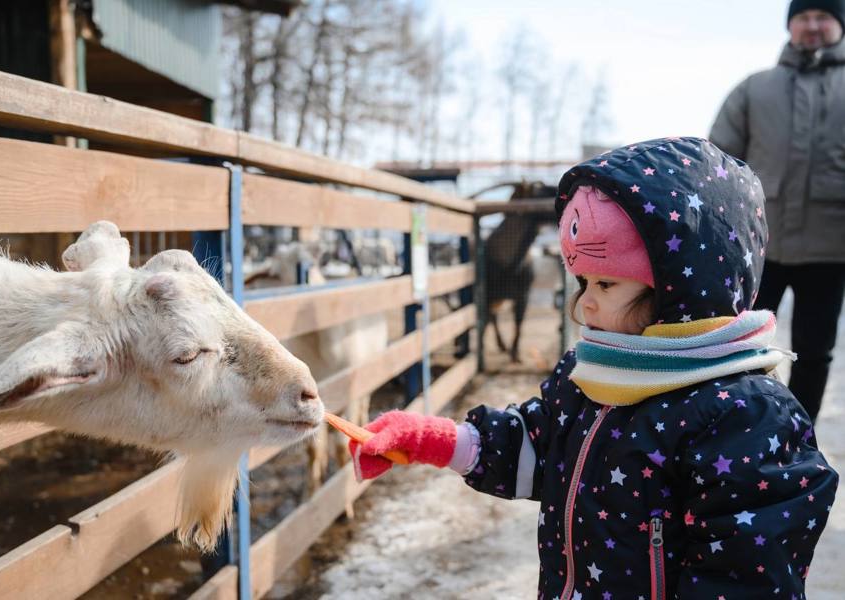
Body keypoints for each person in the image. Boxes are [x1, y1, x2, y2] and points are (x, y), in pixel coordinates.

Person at [348, 138, 838, 599]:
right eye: (583, 282)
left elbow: (747, 575)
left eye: (606, 284)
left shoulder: (743, 418)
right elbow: (538, 447)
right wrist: (432, 440)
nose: (586, 306)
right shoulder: (592, 377)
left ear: (680, 294)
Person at [709, 0, 845, 423]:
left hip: (830, 246)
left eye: (823, 16)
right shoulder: (755, 88)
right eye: (803, 17)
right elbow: (716, 162)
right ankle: (743, 427)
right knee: (740, 343)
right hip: (756, 247)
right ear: (790, 26)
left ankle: (796, 435)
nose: (812, 26)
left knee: (814, 351)